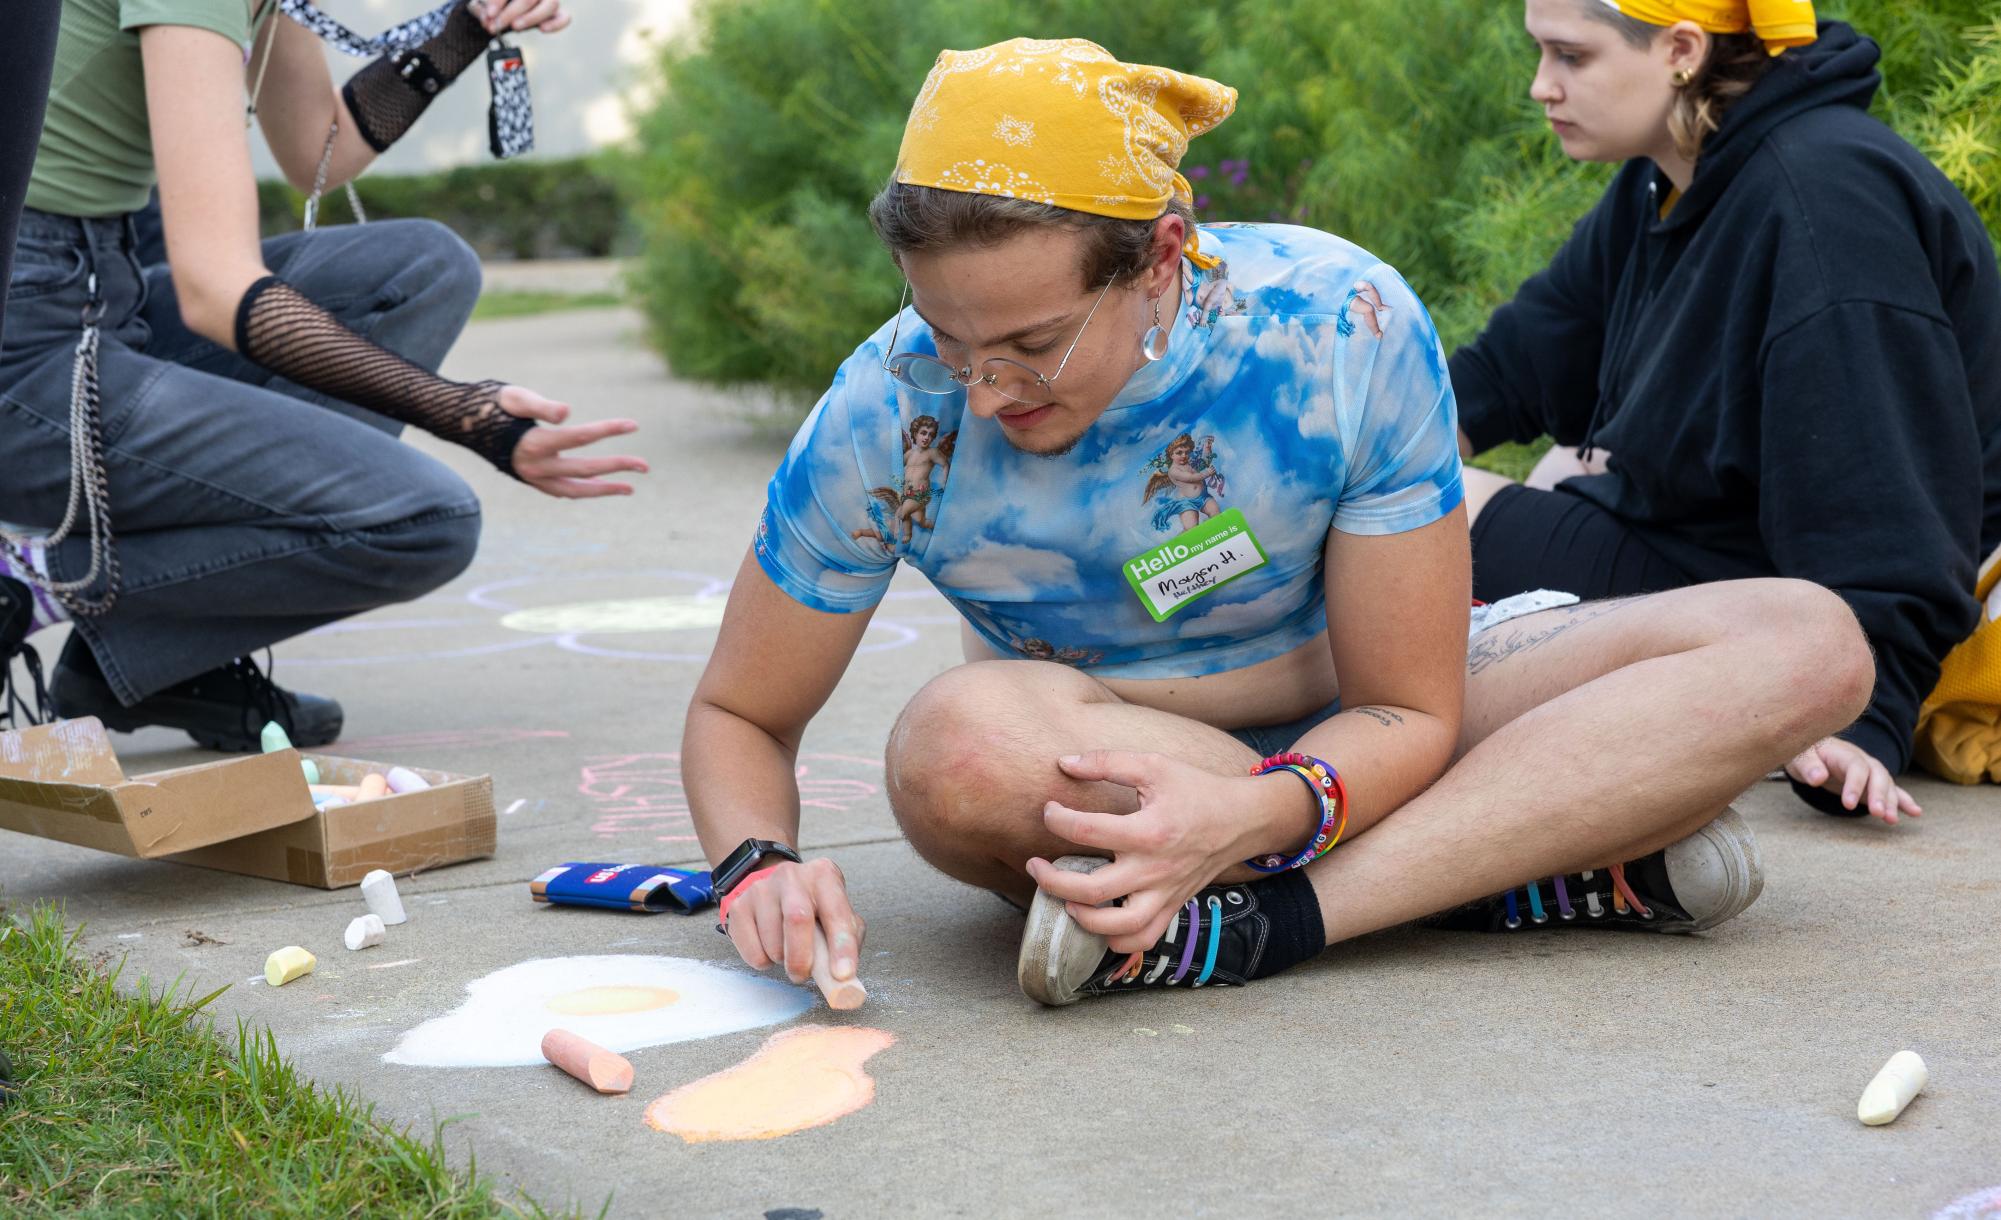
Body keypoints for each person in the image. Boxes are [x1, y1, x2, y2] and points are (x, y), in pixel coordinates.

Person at [684, 37, 1873, 1007]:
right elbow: (742, 709)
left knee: (1808, 642)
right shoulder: (885, 412)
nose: (986, 391)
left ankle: (1263, 920)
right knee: (956, 752)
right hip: (1120, 754)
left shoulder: (1334, 323)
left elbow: (1409, 705)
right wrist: (756, 863)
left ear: (1160, 252)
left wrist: (1260, 813)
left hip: (1394, 719)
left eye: (1034, 345)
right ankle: (1529, 864)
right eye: (951, 338)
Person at [0, 0, 647, 748]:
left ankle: (162, 652)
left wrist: (463, 29)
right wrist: (463, 413)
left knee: (420, 270)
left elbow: (319, 149)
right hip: (30, 339)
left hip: (108, 289)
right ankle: (32, 582)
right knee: (422, 519)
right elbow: (219, 290)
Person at [1451, 0, 2001, 822]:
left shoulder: (1824, 203)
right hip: (1727, 546)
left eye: (1570, 56)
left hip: (1810, 612)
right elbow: (1517, 364)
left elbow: (1887, 501)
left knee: (1430, 505)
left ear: (1680, 49)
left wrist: (1864, 720)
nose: (1541, 87)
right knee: (1490, 469)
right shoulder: (1673, 174)